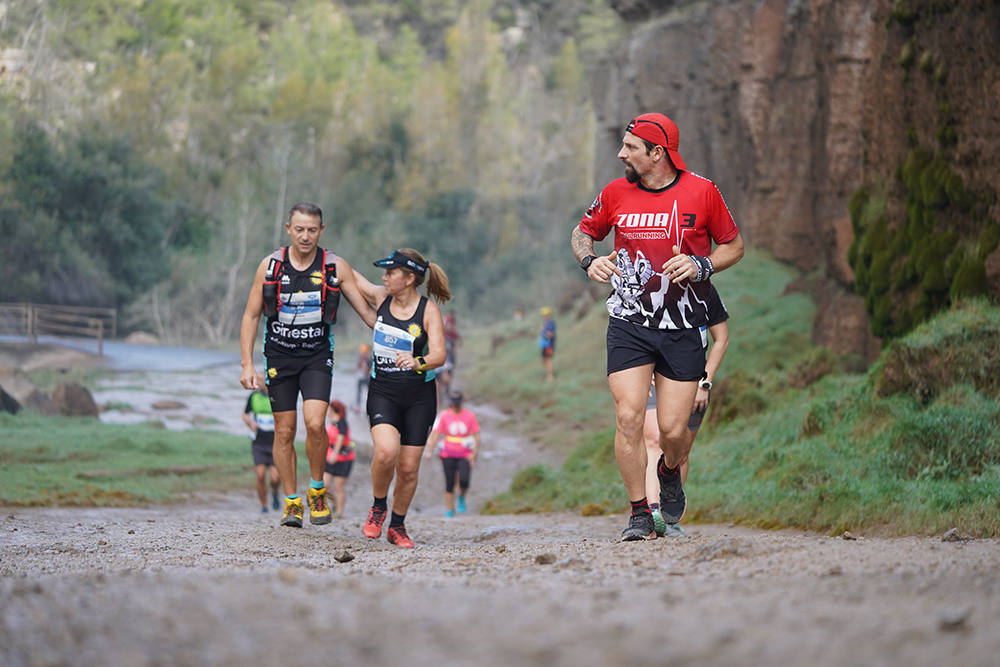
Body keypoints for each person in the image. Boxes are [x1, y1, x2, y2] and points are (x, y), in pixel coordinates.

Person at [570, 112, 744, 541]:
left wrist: (702, 264)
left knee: (672, 432)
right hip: (629, 322)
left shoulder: (702, 192)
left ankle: (668, 471)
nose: (620, 153)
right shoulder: (615, 193)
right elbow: (581, 232)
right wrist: (589, 260)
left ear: (657, 152)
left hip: (683, 325)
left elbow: (734, 246)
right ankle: (639, 514)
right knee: (628, 416)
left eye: (630, 147)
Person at [239, 202, 374, 529]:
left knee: (315, 424)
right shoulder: (270, 266)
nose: (305, 236)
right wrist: (247, 364)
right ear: (288, 229)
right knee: (284, 430)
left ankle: (316, 490)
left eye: (312, 230)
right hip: (279, 357)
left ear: (321, 231)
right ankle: (292, 502)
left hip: (316, 356)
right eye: (299, 229)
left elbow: (367, 312)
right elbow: (251, 315)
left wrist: (405, 326)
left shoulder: (334, 266)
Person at [350, 248, 450, 548]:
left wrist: (417, 362)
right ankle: (378, 506)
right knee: (385, 452)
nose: (384, 277)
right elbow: (352, 279)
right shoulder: (382, 297)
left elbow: (439, 354)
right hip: (383, 392)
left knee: (408, 469)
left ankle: (397, 526)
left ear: (408, 278)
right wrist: (326, 258)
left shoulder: (428, 310)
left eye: (390, 273)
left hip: (419, 397)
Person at [644, 282, 730, 537]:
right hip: (653, 380)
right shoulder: (647, 286)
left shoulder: (704, 290)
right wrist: (641, 370)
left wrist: (705, 382)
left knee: (679, 451)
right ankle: (653, 514)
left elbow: (722, 338)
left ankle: (671, 518)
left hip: (692, 381)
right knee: (653, 441)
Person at [424, 391, 481, 517]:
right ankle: (449, 509)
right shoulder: (444, 416)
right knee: (450, 482)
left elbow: (476, 436)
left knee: (464, 480)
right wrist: (429, 451)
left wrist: (474, 454)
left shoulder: (469, 416)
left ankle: (461, 497)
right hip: (448, 453)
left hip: (465, 453)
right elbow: (436, 434)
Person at [241, 373, 281, 513]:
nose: (257, 382)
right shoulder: (253, 397)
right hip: (259, 442)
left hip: (275, 442)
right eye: (256, 380)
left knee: (275, 478)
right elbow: (245, 415)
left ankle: (275, 494)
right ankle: (264, 505)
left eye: (260, 379)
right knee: (260, 476)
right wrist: (250, 423)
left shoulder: (276, 395)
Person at [323, 399, 354, 517]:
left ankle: (340, 512)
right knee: (325, 485)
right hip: (329, 457)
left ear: (332, 409)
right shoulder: (332, 423)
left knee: (339, 487)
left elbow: (340, 438)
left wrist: (335, 453)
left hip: (343, 458)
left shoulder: (342, 423)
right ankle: (335, 503)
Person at [538, 307, 556, 381]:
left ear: (549, 314)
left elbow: (550, 335)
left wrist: (543, 330)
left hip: (549, 345)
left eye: (545, 315)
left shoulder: (551, 323)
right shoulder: (547, 323)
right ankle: (548, 373)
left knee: (548, 359)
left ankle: (550, 376)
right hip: (545, 345)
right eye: (543, 315)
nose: (544, 316)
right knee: (544, 359)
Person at [355, 343, 372, 412]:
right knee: (359, 392)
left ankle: (369, 407)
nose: (363, 352)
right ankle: (358, 407)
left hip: (367, 378)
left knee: (369, 393)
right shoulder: (361, 358)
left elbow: (370, 369)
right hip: (361, 378)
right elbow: (357, 367)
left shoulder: (370, 358)